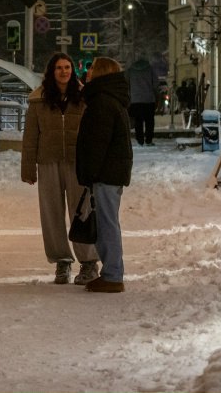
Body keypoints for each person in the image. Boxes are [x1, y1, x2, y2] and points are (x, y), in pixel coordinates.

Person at [21, 52, 100, 285]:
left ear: (73, 70)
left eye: (67, 67)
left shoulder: (84, 97)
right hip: (48, 162)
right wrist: (28, 168)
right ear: (51, 72)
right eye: (59, 68)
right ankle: (62, 261)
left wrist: (95, 164)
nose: (64, 71)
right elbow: (31, 137)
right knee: (51, 213)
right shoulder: (38, 99)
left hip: (78, 163)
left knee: (82, 213)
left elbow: (93, 133)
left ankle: (88, 263)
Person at [75, 56, 133, 293]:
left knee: (107, 224)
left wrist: (88, 173)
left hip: (106, 173)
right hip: (112, 171)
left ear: (100, 74)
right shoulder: (111, 99)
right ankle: (112, 272)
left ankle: (112, 275)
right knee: (108, 222)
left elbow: (96, 143)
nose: (87, 74)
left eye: (91, 71)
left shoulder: (101, 102)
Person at [127, 56, 157, 146]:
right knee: (149, 121)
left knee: (138, 121)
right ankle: (149, 140)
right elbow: (155, 83)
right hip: (148, 99)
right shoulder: (150, 69)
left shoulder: (130, 70)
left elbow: (127, 83)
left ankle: (140, 140)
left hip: (135, 100)